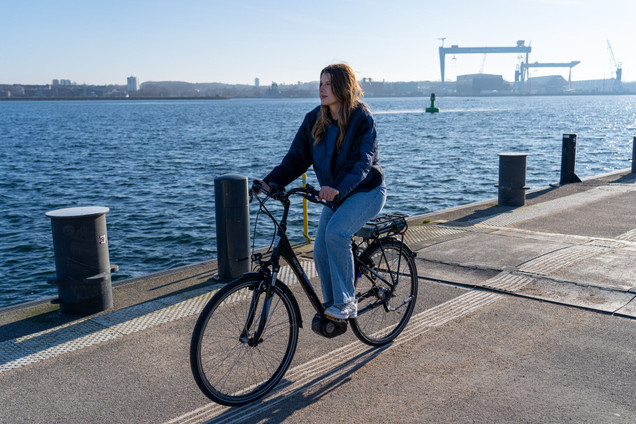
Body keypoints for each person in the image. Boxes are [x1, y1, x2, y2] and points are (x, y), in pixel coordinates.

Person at [258, 63, 386, 320]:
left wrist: (336, 187)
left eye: (328, 84)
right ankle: (333, 305)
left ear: (343, 86)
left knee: (336, 235)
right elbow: (295, 160)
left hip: (366, 191)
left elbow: (362, 162)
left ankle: (347, 302)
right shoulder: (314, 119)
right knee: (319, 249)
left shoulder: (362, 119)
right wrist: (269, 183)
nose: (322, 89)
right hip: (336, 195)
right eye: (320, 83)